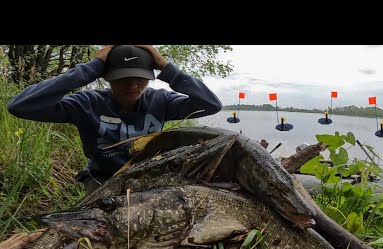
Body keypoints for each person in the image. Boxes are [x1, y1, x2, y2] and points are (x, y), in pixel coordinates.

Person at [7, 45, 223, 194]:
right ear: (107, 77)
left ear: (150, 77)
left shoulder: (162, 101)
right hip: (102, 180)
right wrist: (89, 69)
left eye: (139, 77)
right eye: (122, 78)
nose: (132, 85)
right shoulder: (87, 104)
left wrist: (167, 68)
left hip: (150, 179)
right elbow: (20, 106)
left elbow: (211, 104)